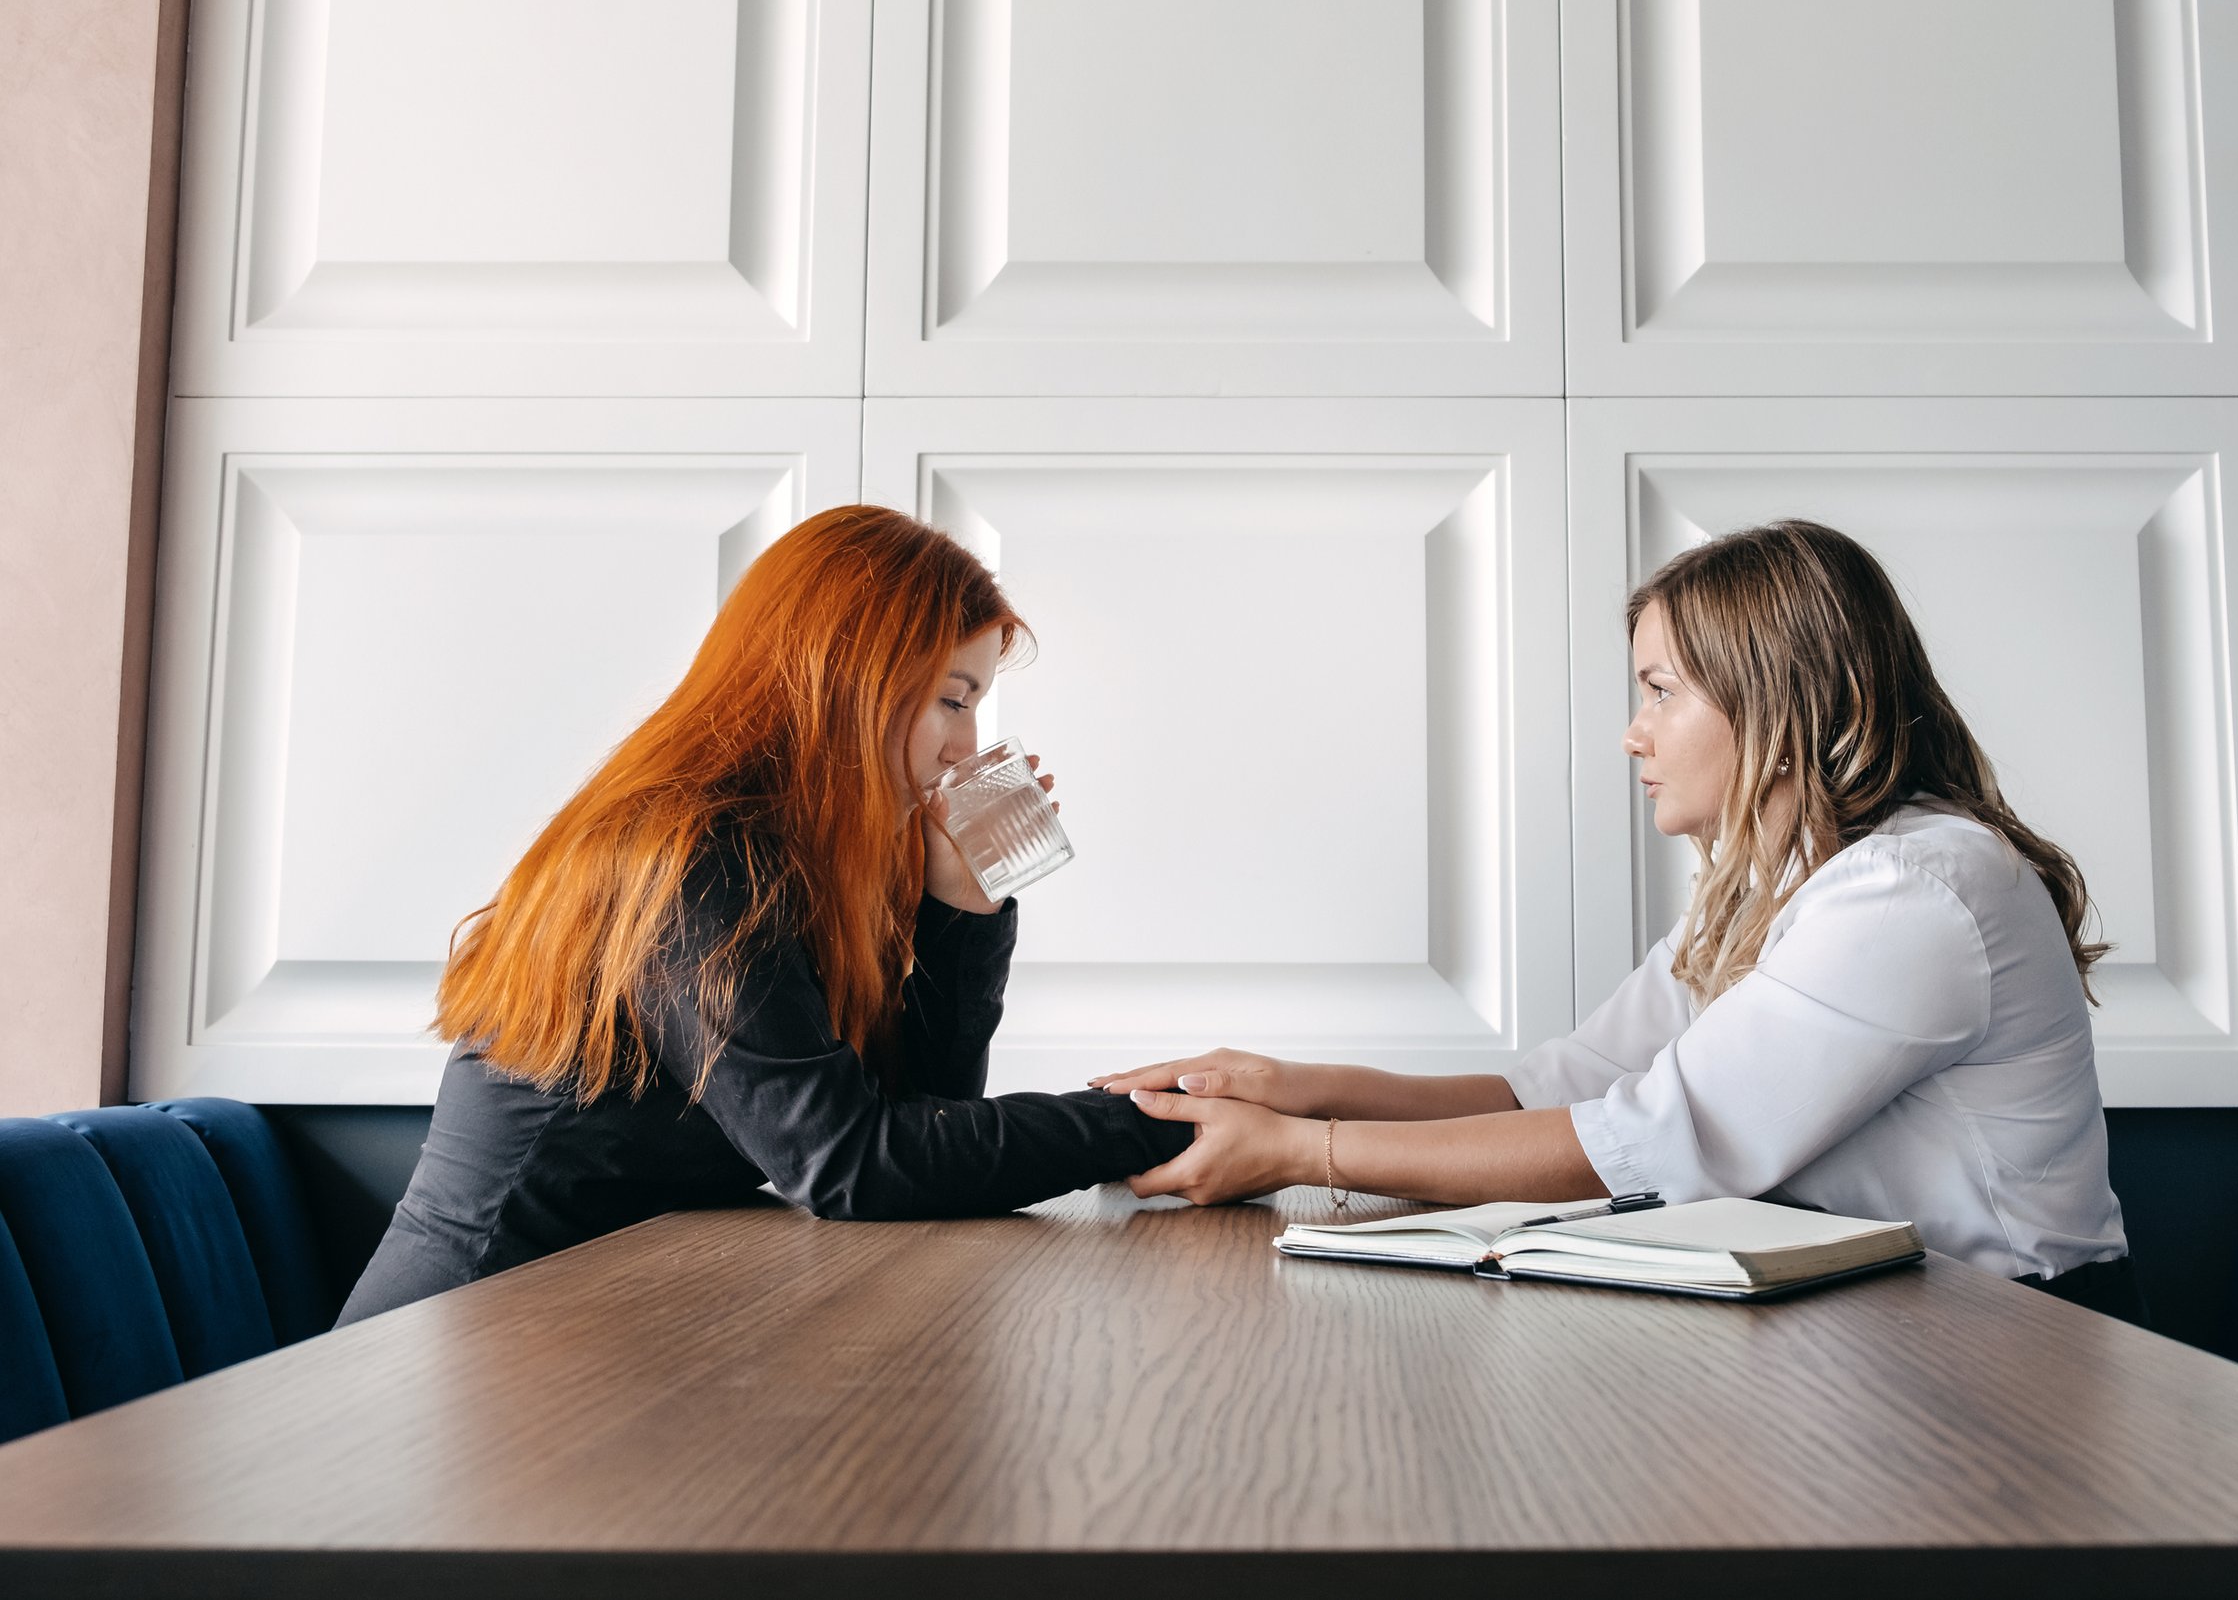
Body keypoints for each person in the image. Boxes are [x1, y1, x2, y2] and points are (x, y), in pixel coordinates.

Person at [1096, 520, 2143, 1321]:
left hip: (2005, 1332)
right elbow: (1568, 1084)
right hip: (1870, 1315)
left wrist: (1304, 1151)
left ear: (1776, 702)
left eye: (1661, 691)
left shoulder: (1913, 891)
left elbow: (1646, 1142)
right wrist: (1293, 1084)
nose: (1633, 735)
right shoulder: (1780, 885)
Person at [338, 507, 1187, 1324]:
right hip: (458, 1346)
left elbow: (917, 1125)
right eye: (954, 702)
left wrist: (959, 905)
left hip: (588, 1331)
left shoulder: (793, 861)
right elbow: (850, 1165)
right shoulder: (689, 858)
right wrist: (1152, 1123)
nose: (966, 748)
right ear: (848, 680)